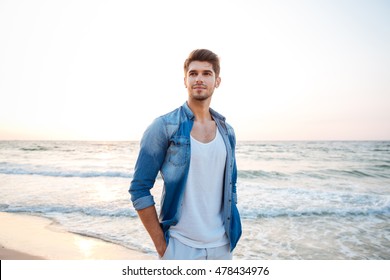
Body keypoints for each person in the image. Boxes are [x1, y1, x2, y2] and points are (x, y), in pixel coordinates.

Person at [129, 49, 241, 260]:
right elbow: (139, 188)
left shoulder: (228, 132)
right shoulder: (163, 126)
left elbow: (231, 186)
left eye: (207, 74)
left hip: (222, 246)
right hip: (180, 246)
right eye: (193, 73)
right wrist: (162, 246)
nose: (199, 79)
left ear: (217, 81)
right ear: (185, 80)